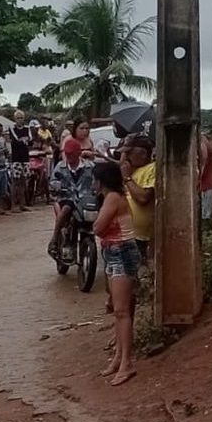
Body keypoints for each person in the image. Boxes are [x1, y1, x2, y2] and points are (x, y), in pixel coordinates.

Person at [92, 162, 141, 386]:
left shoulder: (112, 198)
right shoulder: (114, 196)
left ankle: (126, 363)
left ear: (101, 181)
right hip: (116, 250)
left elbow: (98, 227)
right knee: (120, 310)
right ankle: (119, 359)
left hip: (120, 251)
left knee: (121, 311)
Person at [48, 138, 95, 257]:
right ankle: (54, 239)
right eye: (67, 154)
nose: (69, 157)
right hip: (67, 198)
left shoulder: (90, 166)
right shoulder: (60, 166)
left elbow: (98, 182)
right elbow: (53, 181)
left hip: (85, 200)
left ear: (78, 153)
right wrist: (56, 186)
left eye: (71, 154)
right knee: (66, 209)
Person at [120, 136, 156, 261]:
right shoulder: (132, 170)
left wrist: (127, 179)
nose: (126, 157)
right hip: (127, 233)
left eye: (130, 153)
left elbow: (143, 198)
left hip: (141, 236)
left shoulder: (151, 169)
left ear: (143, 154)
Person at [9, 109, 32, 212]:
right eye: (18, 118)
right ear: (14, 119)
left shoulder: (27, 129)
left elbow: (30, 140)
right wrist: (24, 140)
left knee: (23, 182)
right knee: (15, 182)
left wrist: (23, 141)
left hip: (25, 159)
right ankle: (13, 205)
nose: (19, 120)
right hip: (16, 159)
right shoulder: (12, 128)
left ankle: (22, 204)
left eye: (21, 118)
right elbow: (16, 140)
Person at [199, 133, 212, 220]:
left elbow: (203, 161)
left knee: (204, 215)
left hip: (205, 186)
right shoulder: (206, 143)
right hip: (207, 184)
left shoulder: (203, 143)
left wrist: (197, 180)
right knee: (206, 214)